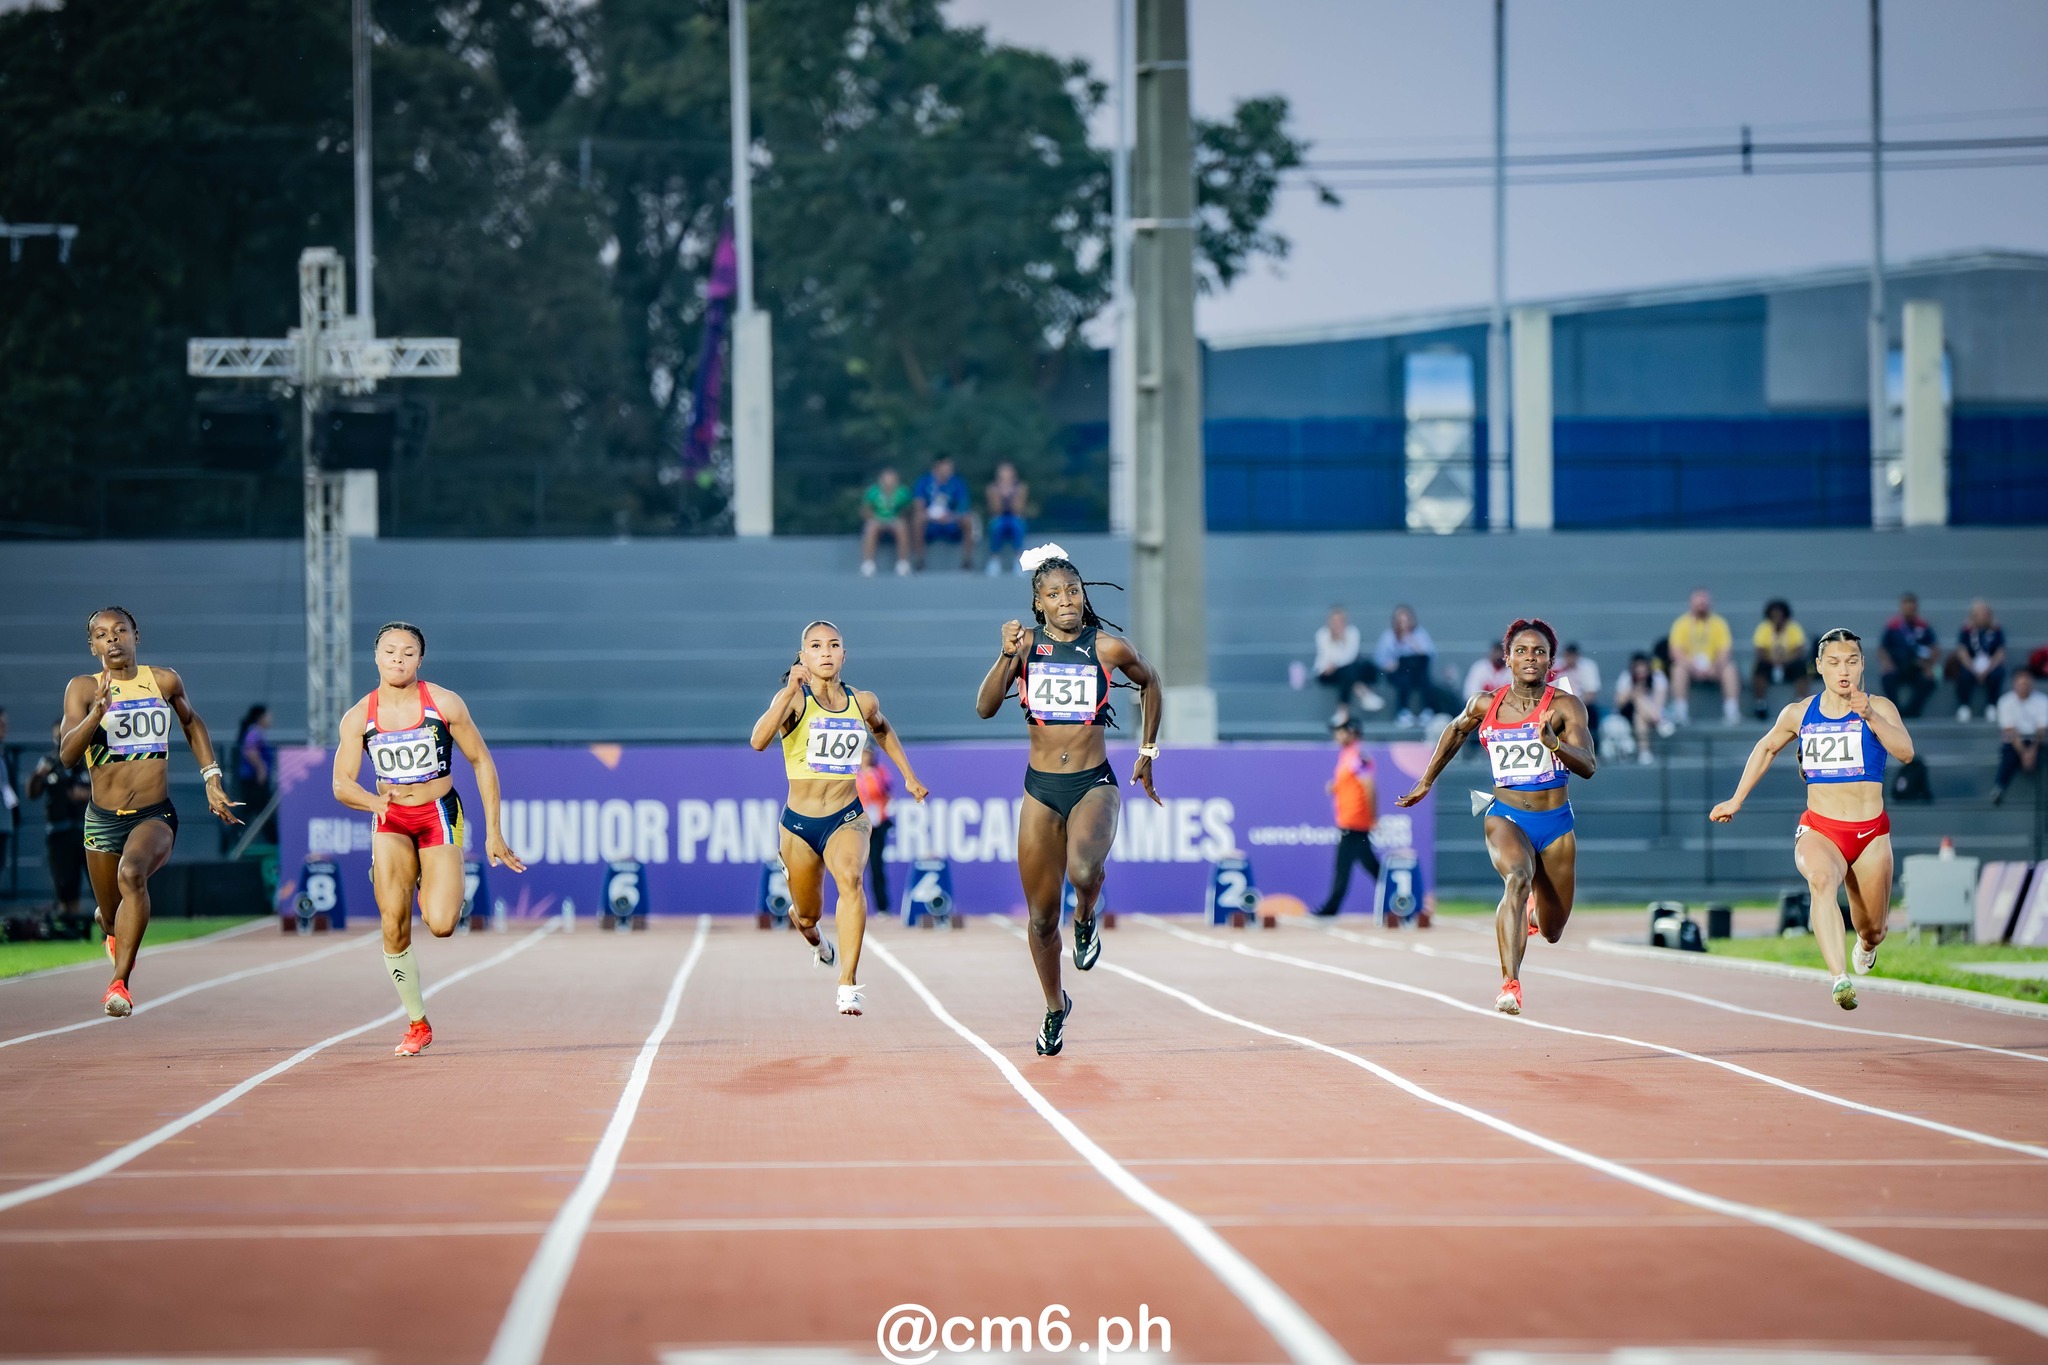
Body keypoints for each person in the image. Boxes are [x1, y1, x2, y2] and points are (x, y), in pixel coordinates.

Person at [975, 543, 1162, 1056]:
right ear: (1038, 603)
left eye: (1073, 591)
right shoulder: (1024, 647)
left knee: (1082, 871)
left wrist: (1147, 750)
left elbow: (1151, 682)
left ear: (1083, 595)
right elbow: (985, 708)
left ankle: (1084, 916)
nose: (1066, 601)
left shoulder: (1107, 648)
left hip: (1093, 783)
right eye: (1054, 594)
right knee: (1039, 919)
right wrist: (1005, 654)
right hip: (1040, 790)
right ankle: (1056, 1006)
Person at [331, 622, 526, 1056]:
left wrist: (494, 831)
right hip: (391, 820)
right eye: (389, 651)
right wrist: (373, 802)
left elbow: (482, 762)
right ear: (376, 657)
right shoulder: (359, 716)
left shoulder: (444, 703)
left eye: (407, 652)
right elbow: (341, 784)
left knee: (441, 924)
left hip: (438, 814)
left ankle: (416, 876)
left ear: (420, 659)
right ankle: (417, 1023)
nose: (398, 659)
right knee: (393, 922)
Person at [1396, 619, 1595, 1015]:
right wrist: (1426, 780)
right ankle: (1510, 985)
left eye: (1539, 651)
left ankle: (1536, 910)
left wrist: (1555, 744)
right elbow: (1455, 731)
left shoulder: (1565, 706)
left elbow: (1588, 764)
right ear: (1507, 659)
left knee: (1553, 931)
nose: (1530, 658)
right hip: (1505, 816)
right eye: (1521, 651)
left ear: (1550, 660)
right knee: (1516, 879)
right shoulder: (1485, 704)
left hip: (1555, 823)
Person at [1711, 629, 1914, 1011]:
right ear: (1819, 666)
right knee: (1821, 882)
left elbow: (1906, 752)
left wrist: (1870, 716)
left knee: (1873, 929)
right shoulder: (1800, 713)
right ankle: (1839, 979)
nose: (1844, 671)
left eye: (1851, 662)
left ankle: (1866, 944)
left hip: (1870, 834)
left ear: (1862, 665)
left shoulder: (1880, 707)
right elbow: (1766, 747)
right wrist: (1736, 799)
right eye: (1834, 662)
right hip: (1821, 829)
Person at [59, 607, 242, 1017]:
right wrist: (96, 714)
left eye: (120, 630)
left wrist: (211, 777)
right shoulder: (83, 688)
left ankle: (118, 984)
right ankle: (111, 926)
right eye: (102, 634)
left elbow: (192, 723)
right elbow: (68, 755)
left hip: (153, 815)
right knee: (112, 918)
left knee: (131, 874)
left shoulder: (163, 681)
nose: (112, 639)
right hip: (102, 821)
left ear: (135, 635)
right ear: (92, 646)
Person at [751, 620, 927, 1016]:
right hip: (799, 825)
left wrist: (908, 775)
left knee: (850, 879)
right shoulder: (794, 701)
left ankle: (847, 983)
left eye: (833, 645)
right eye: (816, 646)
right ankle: (815, 938)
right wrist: (790, 690)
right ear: (803, 657)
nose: (825, 652)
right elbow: (758, 741)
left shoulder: (862, 702)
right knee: (807, 914)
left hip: (847, 816)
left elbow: (883, 730)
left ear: (844, 655)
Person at [1315, 718, 1381, 917]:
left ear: (1352, 732)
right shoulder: (1347, 755)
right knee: (1368, 865)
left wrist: (1373, 817)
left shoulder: (1358, 755)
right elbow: (1352, 783)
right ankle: (1397, 894)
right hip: (1350, 819)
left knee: (1345, 865)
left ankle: (1331, 907)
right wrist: (1335, 787)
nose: (1337, 735)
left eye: (1341, 730)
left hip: (1355, 820)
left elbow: (1369, 786)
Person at [27, 720, 92, 920]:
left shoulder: (87, 762)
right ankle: (69, 924)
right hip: (59, 831)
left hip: (86, 831)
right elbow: (32, 792)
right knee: (65, 885)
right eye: (58, 737)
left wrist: (87, 794)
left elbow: (107, 789)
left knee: (97, 880)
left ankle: (109, 925)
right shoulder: (50, 762)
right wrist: (38, 775)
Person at [1667, 589, 1741, 726]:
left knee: (1730, 668)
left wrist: (1715, 667)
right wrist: (1693, 667)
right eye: (1698, 604)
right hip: (1690, 667)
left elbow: (1725, 650)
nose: (1701, 607)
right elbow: (1676, 651)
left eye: (1704, 604)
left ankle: (1732, 712)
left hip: (1714, 667)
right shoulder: (1681, 624)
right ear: (1691, 604)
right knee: (1677, 669)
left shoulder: (1719, 623)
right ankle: (1680, 713)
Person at [1374, 605, 1454, 726]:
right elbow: (1379, 658)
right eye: (1401, 621)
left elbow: (1430, 654)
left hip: (1417, 672)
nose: (1404, 624)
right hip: (1397, 671)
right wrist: (1389, 664)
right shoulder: (1389, 636)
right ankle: (1402, 711)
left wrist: (1411, 641)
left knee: (1420, 666)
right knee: (1405, 673)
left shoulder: (1419, 633)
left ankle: (1427, 710)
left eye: (1406, 620)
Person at [1313, 605, 1384, 727]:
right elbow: (1325, 657)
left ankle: (1342, 712)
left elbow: (1350, 656)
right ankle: (1364, 693)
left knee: (1353, 670)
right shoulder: (1322, 634)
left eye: (1340, 621)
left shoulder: (1352, 633)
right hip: (1326, 672)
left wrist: (1342, 641)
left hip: (1346, 670)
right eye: (1334, 621)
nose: (1338, 624)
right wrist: (1334, 643)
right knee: (1349, 672)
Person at [909, 456, 979, 572]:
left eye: (951, 467)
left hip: (952, 522)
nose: (949, 470)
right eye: (946, 466)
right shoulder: (924, 482)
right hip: (931, 523)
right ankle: (919, 560)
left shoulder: (958, 482)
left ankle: (967, 561)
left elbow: (963, 507)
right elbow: (918, 507)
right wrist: (933, 517)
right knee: (917, 519)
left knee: (968, 519)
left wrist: (951, 516)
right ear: (937, 466)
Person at [1878, 593, 1939, 719]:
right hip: (1897, 665)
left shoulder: (1923, 626)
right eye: (1906, 607)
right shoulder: (1893, 626)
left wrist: (1929, 666)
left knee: (1929, 681)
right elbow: (1883, 648)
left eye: (1912, 608)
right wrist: (1887, 664)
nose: (1909, 611)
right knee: (1887, 678)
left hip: (1918, 666)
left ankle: (1912, 711)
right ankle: (1894, 711)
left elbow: (1934, 648)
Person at [1749, 599, 1810, 720]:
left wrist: (1786, 660)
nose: (1777, 619)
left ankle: (1801, 702)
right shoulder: (1764, 628)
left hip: (1789, 664)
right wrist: (1773, 660)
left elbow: (1799, 649)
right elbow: (1760, 650)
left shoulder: (1793, 628)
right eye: (1774, 616)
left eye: (1779, 616)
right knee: (1759, 666)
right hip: (1770, 663)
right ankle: (1760, 704)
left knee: (1801, 665)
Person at [1993, 670, 2046, 805]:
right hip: (2014, 740)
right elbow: (2010, 730)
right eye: (2021, 684)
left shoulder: (2042, 700)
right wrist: (2024, 753)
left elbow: (2042, 729)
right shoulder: (2005, 701)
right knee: (2008, 755)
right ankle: (1999, 787)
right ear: (2014, 684)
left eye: (2027, 683)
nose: (2024, 687)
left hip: (2036, 740)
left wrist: (2032, 751)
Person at [855, 746, 895, 919]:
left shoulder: (880, 772)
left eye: (870, 754)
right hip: (858, 825)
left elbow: (887, 793)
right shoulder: (853, 773)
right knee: (854, 867)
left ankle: (882, 907)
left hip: (877, 825)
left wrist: (884, 813)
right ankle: (854, 906)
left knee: (877, 866)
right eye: (864, 753)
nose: (867, 757)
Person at [1951, 598, 2007, 722]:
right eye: (1978, 614)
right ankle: (1964, 706)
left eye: (1984, 614)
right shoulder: (1966, 630)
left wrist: (1988, 669)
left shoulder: (1996, 630)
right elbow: (1962, 651)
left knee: (1998, 673)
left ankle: (1992, 705)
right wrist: (1973, 669)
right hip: (1971, 663)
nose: (1981, 617)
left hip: (1990, 664)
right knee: (1963, 674)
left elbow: (2000, 652)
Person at [1612, 653, 1671, 765]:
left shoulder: (1658, 677)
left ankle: (1644, 752)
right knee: (1638, 697)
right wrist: (1633, 692)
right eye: (1638, 671)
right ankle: (1659, 721)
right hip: (1627, 712)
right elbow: (1619, 703)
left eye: (1643, 671)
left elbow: (1660, 702)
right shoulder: (1626, 677)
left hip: (1650, 712)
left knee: (1639, 716)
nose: (1641, 674)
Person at [234, 704, 276, 846]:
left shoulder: (257, 733)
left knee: (256, 810)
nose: (270, 719)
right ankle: (273, 841)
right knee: (261, 811)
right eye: (268, 716)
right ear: (260, 717)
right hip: (254, 781)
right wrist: (261, 769)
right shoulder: (254, 733)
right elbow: (250, 751)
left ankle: (237, 837)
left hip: (254, 781)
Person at [860, 467, 912, 577]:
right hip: (877, 520)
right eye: (886, 480)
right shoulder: (872, 492)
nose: (889, 483)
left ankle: (903, 563)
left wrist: (897, 518)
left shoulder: (903, 492)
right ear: (880, 481)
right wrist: (876, 519)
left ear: (896, 481)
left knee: (901, 526)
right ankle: (868, 564)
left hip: (894, 521)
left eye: (892, 480)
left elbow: (907, 511)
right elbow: (865, 510)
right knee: (870, 527)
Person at [984, 462, 1030, 576]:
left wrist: (1013, 495)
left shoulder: (1021, 488)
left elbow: (1018, 509)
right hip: (999, 517)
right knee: (997, 526)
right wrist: (999, 495)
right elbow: (995, 510)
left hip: (1015, 517)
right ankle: (994, 559)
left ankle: (1019, 560)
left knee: (1016, 525)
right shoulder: (992, 489)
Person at [1557, 642, 1602, 735]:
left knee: (1591, 711)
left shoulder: (1588, 667)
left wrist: (1576, 705)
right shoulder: (1556, 667)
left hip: (1582, 703)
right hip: (1559, 703)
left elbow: (1591, 693)